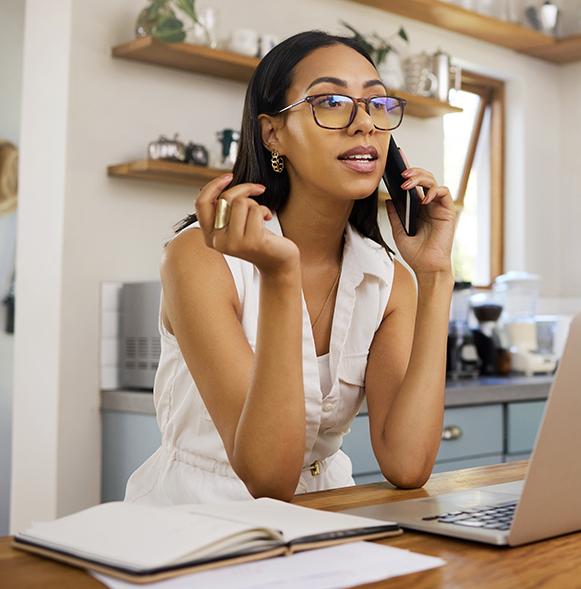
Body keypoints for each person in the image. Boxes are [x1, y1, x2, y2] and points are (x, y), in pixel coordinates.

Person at [124, 31, 456, 505]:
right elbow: (269, 479)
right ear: (272, 132)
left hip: (327, 510)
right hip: (200, 516)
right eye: (331, 102)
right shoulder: (199, 258)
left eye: (377, 104)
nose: (364, 124)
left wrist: (436, 275)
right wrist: (281, 276)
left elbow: (407, 464)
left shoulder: (388, 280)